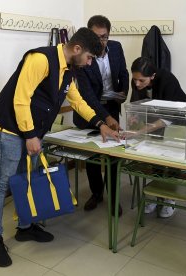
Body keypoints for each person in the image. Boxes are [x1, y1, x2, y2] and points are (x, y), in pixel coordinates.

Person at [0, 27, 119, 267]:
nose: (89, 63)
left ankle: (25, 227)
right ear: (77, 49)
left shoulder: (69, 70)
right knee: (3, 182)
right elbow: (21, 98)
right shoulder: (40, 59)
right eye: (89, 57)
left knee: (27, 178)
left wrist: (101, 124)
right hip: (9, 128)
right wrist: (29, 135)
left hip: (32, 131)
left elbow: (78, 101)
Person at [73, 15, 129, 216]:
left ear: (109, 35)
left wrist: (123, 94)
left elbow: (124, 72)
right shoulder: (82, 59)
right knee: (93, 155)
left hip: (112, 106)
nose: (100, 41)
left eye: (104, 37)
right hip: (91, 111)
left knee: (113, 153)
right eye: (96, 37)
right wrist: (105, 118)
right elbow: (87, 96)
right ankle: (96, 193)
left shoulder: (116, 47)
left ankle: (113, 197)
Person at [130, 57, 186, 218]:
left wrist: (143, 130)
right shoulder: (136, 80)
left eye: (141, 80)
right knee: (154, 162)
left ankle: (169, 199)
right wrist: (133, 118)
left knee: (172, 163)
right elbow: (135, 104)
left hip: (176, 123)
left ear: (153, 76)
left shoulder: (167, 80)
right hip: (153, 124)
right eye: (134, 79)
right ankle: (155, 196)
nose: (137, 84)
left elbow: (170, 116)